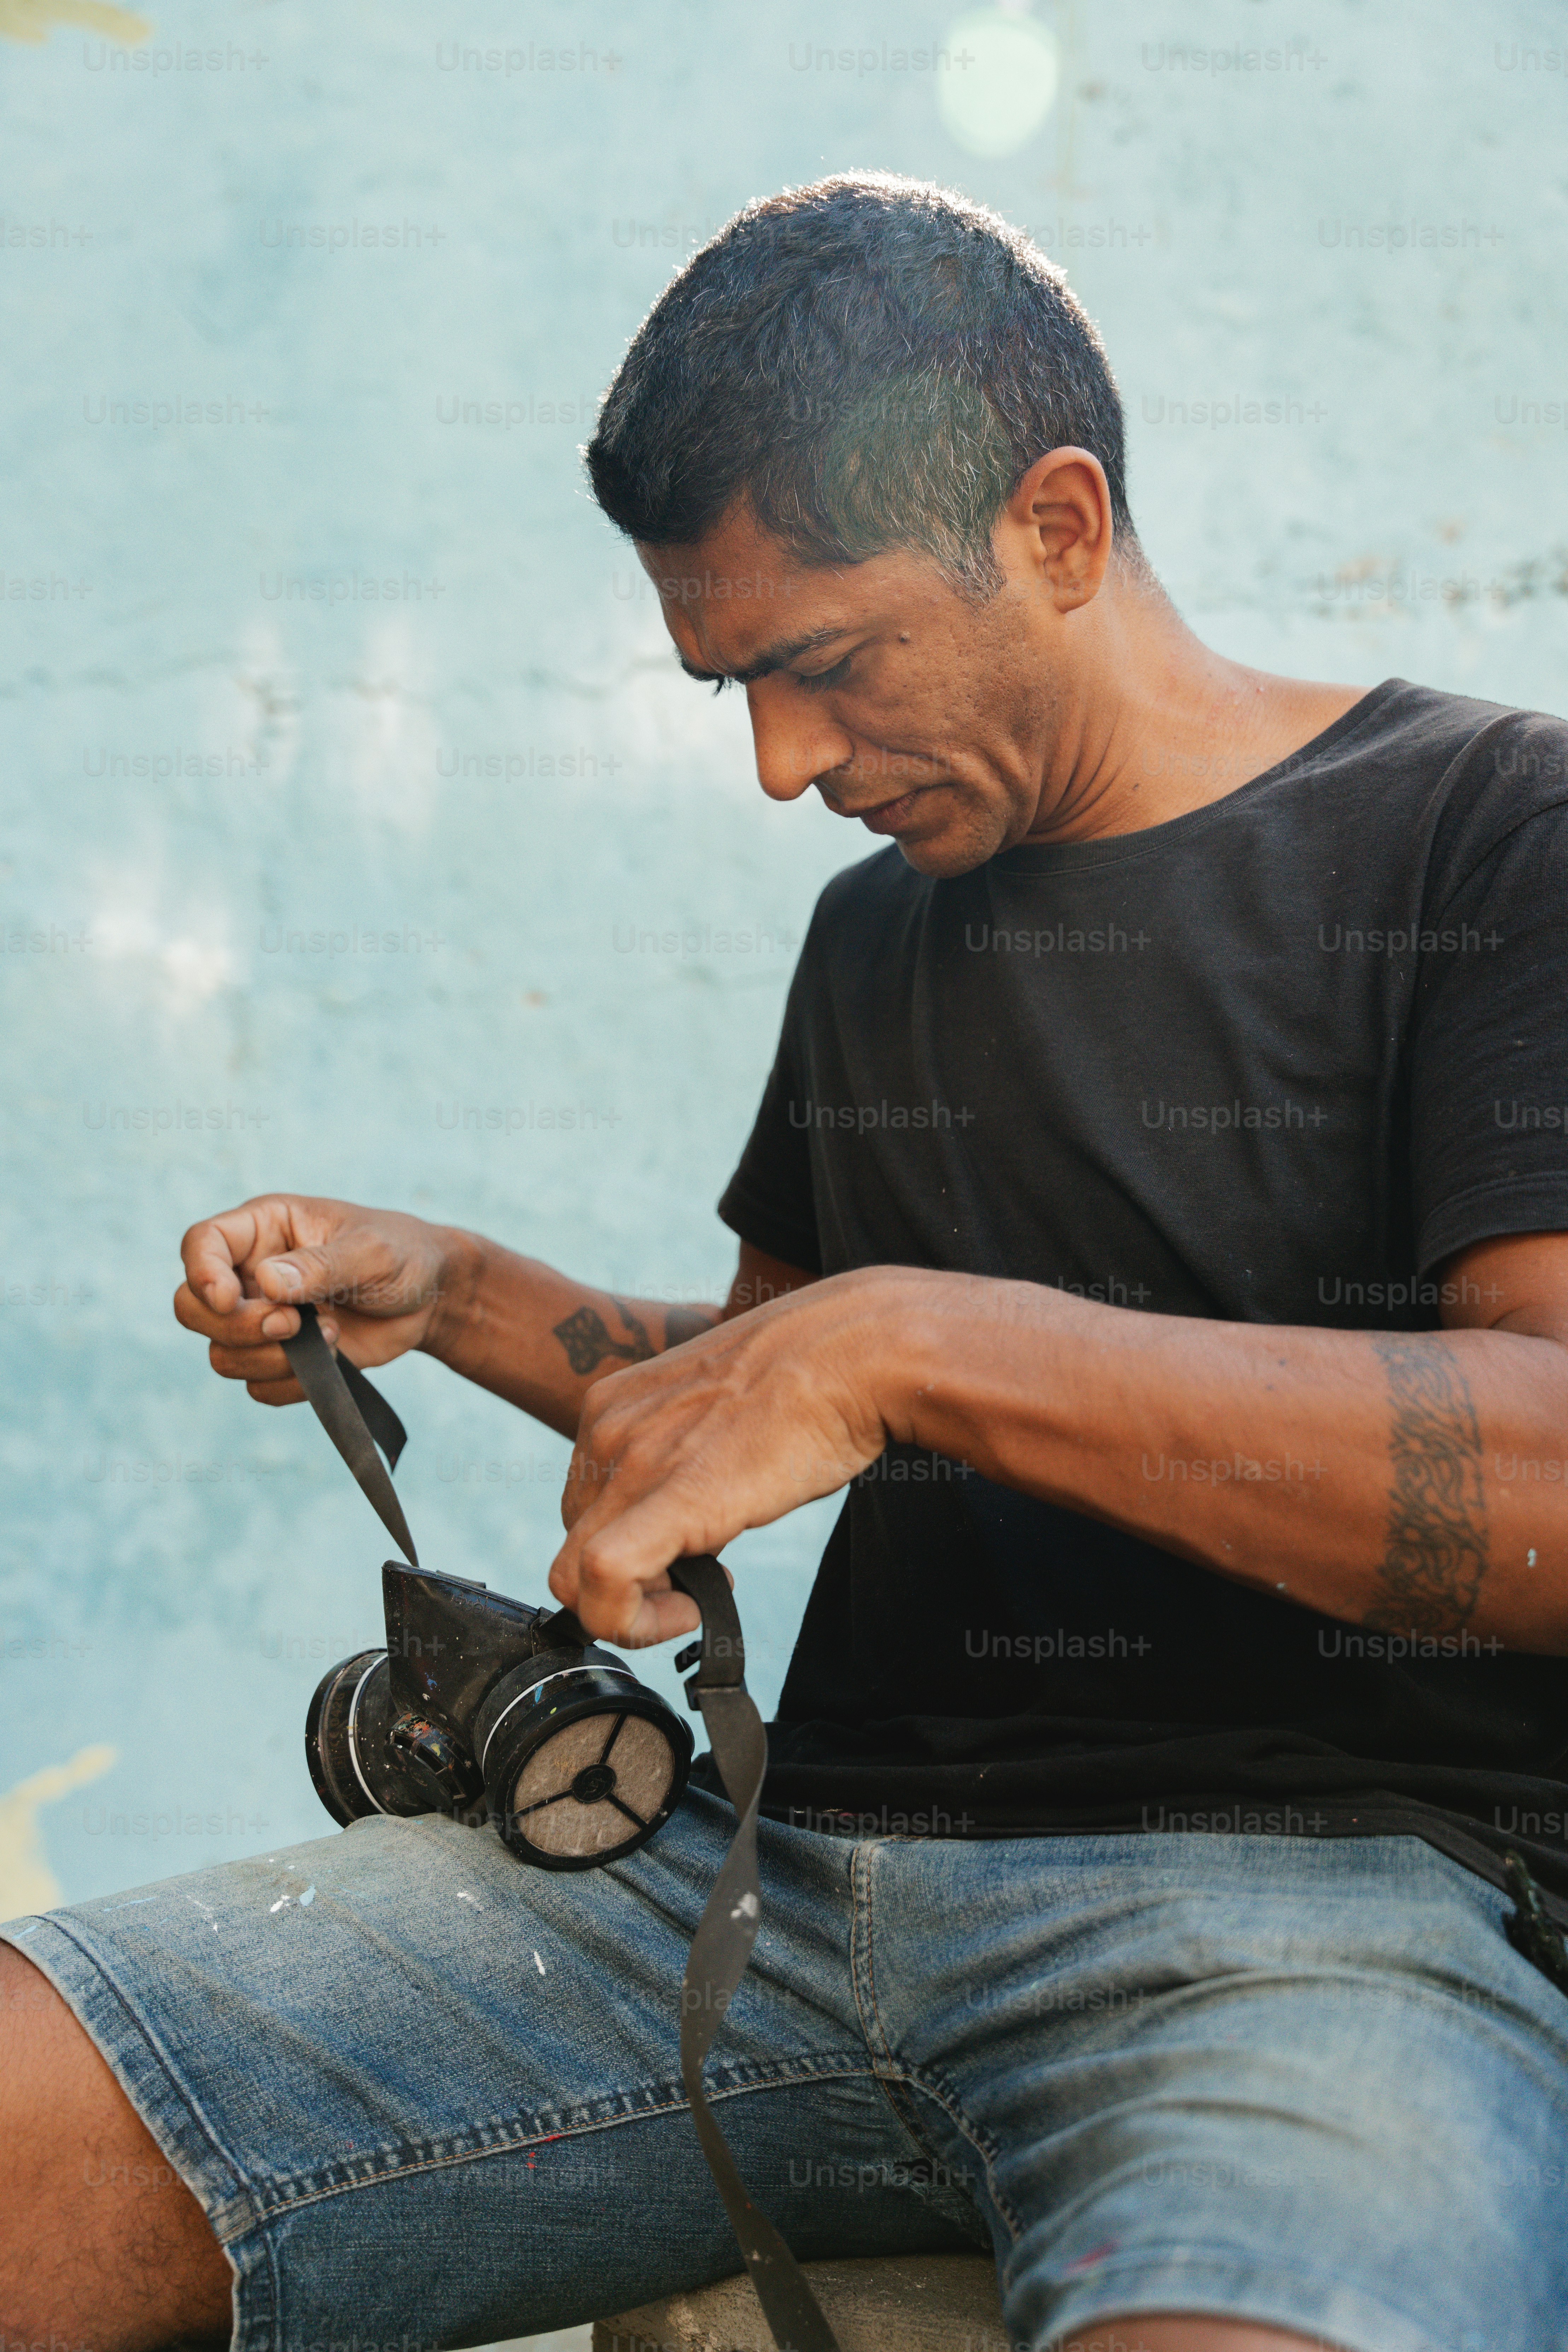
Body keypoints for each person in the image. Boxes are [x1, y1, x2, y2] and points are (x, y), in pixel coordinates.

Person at [6, 170, 1568, 2352]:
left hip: (1301, 1918)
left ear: (1053, 524)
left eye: (821, 666)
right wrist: (449, 1291)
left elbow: (1551, 1476)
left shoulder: (1492, 830)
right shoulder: (879, 931)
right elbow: (761, 1374)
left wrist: (920, 1345)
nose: (778, 765)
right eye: (731, 686)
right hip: (753, 1882)